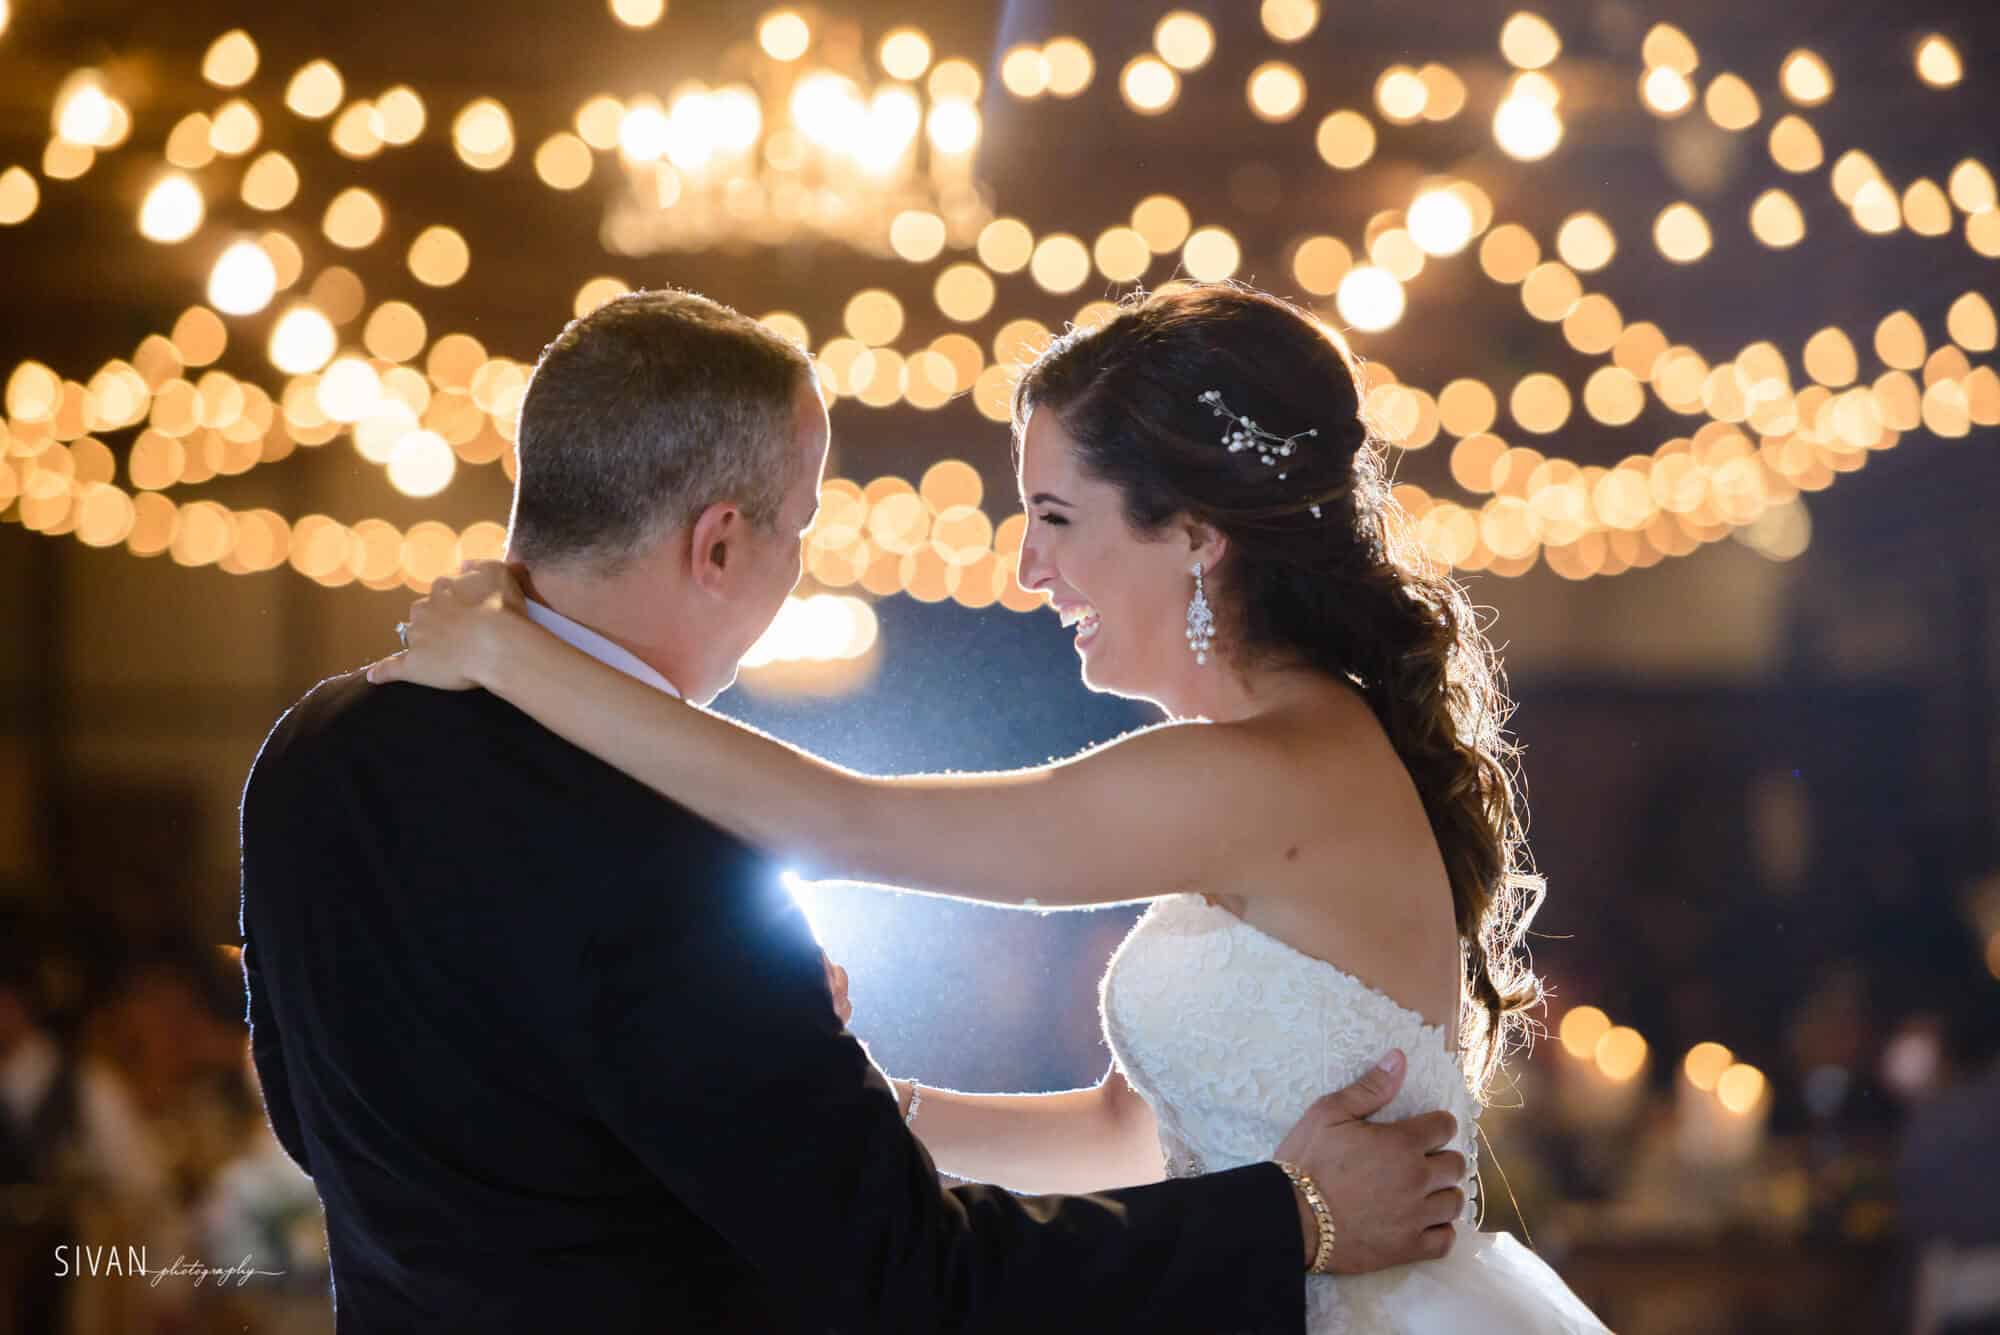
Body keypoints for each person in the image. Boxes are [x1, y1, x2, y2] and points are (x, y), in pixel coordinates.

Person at [370, 283, 1612, 1330]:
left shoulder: (1259, 770)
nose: (1027, 571)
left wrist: (513, 653)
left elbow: (841, 823)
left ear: (1192, 535)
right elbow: (1137, 1132)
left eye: (1056, 519)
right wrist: (859, 1099)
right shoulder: (1258, 758)